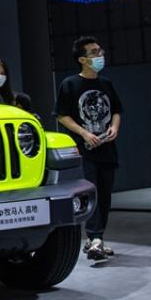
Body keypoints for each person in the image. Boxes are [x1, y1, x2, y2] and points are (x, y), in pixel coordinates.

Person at [54, 37, 122, 263]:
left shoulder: (107, 84)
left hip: (107, 149)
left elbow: (116, 110)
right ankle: (95, 238)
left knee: (105, 195)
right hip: (84, 150)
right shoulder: (70, 84)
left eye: (100, 50)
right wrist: (84, 133)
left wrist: (114, 127)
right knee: (91, 192)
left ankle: (96, 238)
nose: (100, 55)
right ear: (82, 59)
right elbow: (62, 115)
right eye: (94, 52)